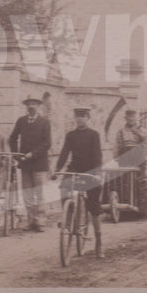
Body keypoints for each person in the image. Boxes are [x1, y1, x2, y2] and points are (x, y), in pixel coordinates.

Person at [51, 107, 105, 258]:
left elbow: (97, 155)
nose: (80, 119)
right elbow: (64, 153)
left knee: (94, 207)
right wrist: (57, 169)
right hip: (75, 168)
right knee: (63, 187)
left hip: (90, 170)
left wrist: (97, 174)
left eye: (83, 116)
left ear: (88, 118)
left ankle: (99, 243)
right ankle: (67, 220)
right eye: (78, 116)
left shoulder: (94, 135)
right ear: (74, 118)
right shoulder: (71, 135)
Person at [8, 95, 52, 232]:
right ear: (26, 106)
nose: (31, 106)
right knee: (27, 194)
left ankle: (41, 222)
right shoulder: (21, 121)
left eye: (34, 104)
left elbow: (47, 143)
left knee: (39, 193)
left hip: (39, 163)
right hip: (25, 164)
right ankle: (31, 221)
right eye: (29, 104)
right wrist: (16, 155)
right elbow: (12, 138)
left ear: (38, 106)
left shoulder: (45, 122)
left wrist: (33, 154)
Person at [114, 109, 147, 216]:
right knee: (125, 181)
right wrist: (116, 159)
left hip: (139, 159)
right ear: (125, 118)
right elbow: (117, 146)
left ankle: (143, 209)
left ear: (136, 118)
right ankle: (125, 209)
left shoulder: (142, 130)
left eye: (133, 117)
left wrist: (140, 135)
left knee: (140, 181)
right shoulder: (121, 131)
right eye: (129, 117)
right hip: (125, 159)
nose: (131, 119)